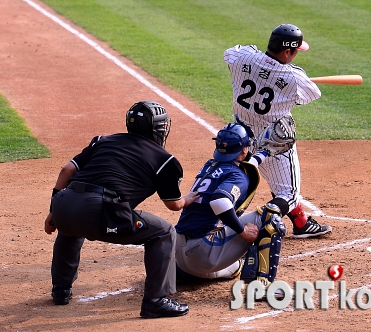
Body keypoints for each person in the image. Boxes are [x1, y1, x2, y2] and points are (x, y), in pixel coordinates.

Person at [44, 101, 199, 319]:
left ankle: (61, 290)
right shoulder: (165, 161)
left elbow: (67, 170)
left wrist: (54, 210)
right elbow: (173, 204)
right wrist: (188, 200)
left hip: (64, 203)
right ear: (158, 129)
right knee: (163, 232)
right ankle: (156, 301)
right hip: (100, 210)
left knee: (72, 227)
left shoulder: (102, 141)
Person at [224, 24, 332, 238]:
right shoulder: (295, 77)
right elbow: (309, 95)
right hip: (274, 140)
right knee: (288, 194)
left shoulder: (244, 56)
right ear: (287, 52)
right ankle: (251, 226)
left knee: (239, 183)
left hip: (240, 137)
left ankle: (301, 223)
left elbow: (229, 56)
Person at [175, 123, 286, 296]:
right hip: (202, 254)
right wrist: (242, 230)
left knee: (236, 267)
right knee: (270, 217)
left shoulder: (210, 166)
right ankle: (262, 287)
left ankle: (189, 274)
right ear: (243, 150)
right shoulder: (237, 175)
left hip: (179, 256)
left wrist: (264, 153)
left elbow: (243, 163)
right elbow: (219, 202)